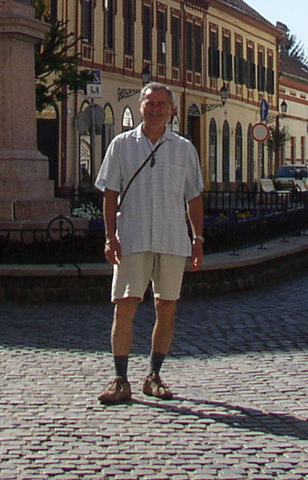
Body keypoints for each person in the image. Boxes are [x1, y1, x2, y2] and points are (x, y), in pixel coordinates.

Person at [94, 81, 205, 405]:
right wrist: (109, 236)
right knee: (125, 306)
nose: (155, 108)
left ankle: (154, 375)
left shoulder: (184, 149)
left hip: (172, 238)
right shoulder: (121, 145)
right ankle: (120, 379)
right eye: (149, 103)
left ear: (171, 110)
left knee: (166, 307)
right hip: (134, 237)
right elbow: (110, 193)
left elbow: (194, 196)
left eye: (161, 104)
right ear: (141, 106)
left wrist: (198, 238)